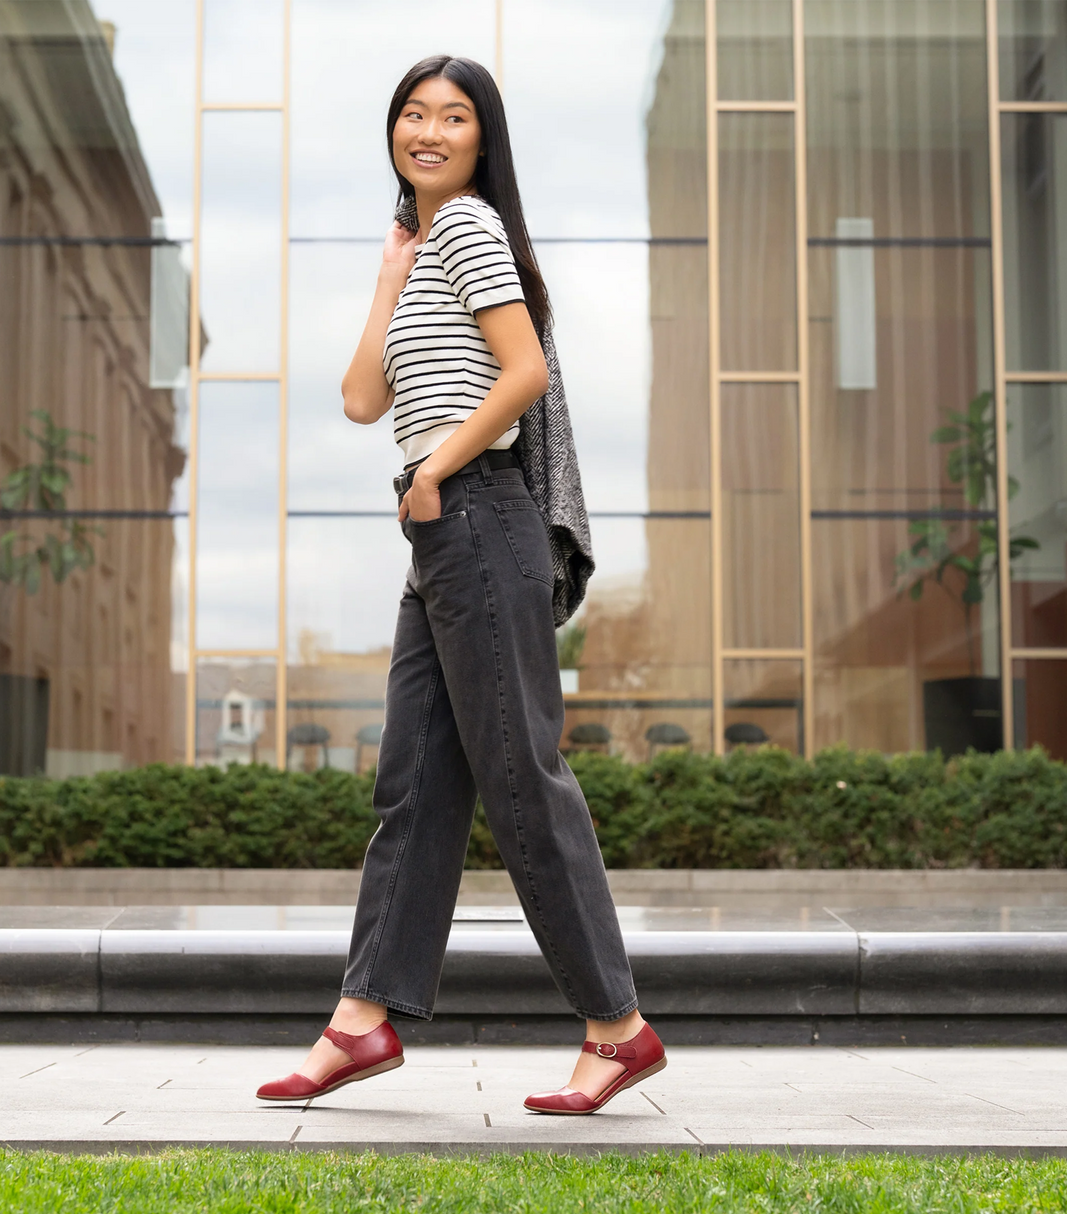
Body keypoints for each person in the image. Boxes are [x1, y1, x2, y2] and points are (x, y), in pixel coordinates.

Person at [257, 54, 665, 1115]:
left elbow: (521, 372)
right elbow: (358, 399)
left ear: (483, 139)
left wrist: (435, 465)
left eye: (453, 116)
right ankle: (362, 1018)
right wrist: (390, 276)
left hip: (473, 511)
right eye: (411, 113)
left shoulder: (473, 228)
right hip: (440, 532)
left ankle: (614, 1026)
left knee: (521, 776)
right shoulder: (429, 245)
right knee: (415, 781)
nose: (427, 130)